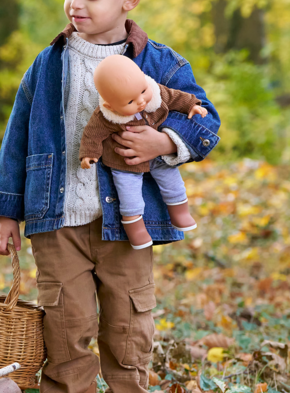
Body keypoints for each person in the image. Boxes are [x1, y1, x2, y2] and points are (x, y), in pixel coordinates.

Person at [0, 0, 220, 393]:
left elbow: (205, 118)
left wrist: (164, 143)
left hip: (126, 223)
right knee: (67, 319)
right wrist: (7, 213)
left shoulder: (158, 63)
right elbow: (16, 140)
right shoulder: (48, 66)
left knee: (129, 318)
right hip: (58, 216)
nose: (75, 5)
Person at [79, 54, 209, 249]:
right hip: (125, 162)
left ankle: (180, 213)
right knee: (129, 195)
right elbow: (92, 134)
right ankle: (136, 229)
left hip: (158, 154)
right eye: (130, 101)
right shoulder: (105, 116)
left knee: (172, 181)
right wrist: (89, 153)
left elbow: (175, 97)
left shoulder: (155, 94)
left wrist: (192, 105)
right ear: (109, 105)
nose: (141, 101)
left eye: (142, 91)